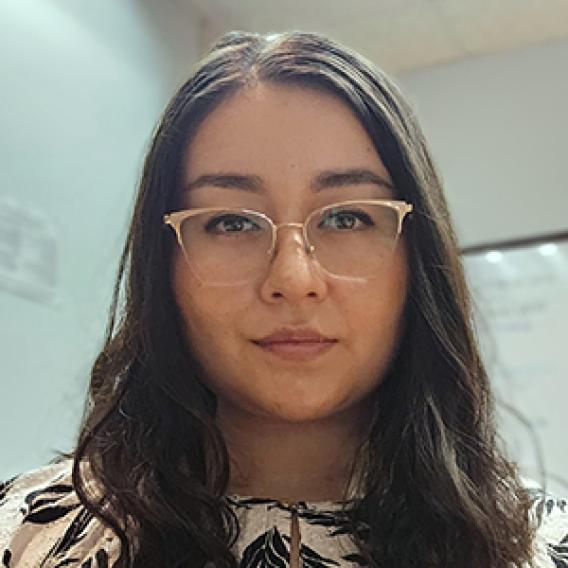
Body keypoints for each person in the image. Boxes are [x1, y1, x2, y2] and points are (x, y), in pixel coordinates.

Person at [0, 29, 567, 568]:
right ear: (163, 263)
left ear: (417, 260)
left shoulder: (542, 545)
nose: (294, 278)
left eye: (347, 218)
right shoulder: (24, 536)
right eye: (230, 223)